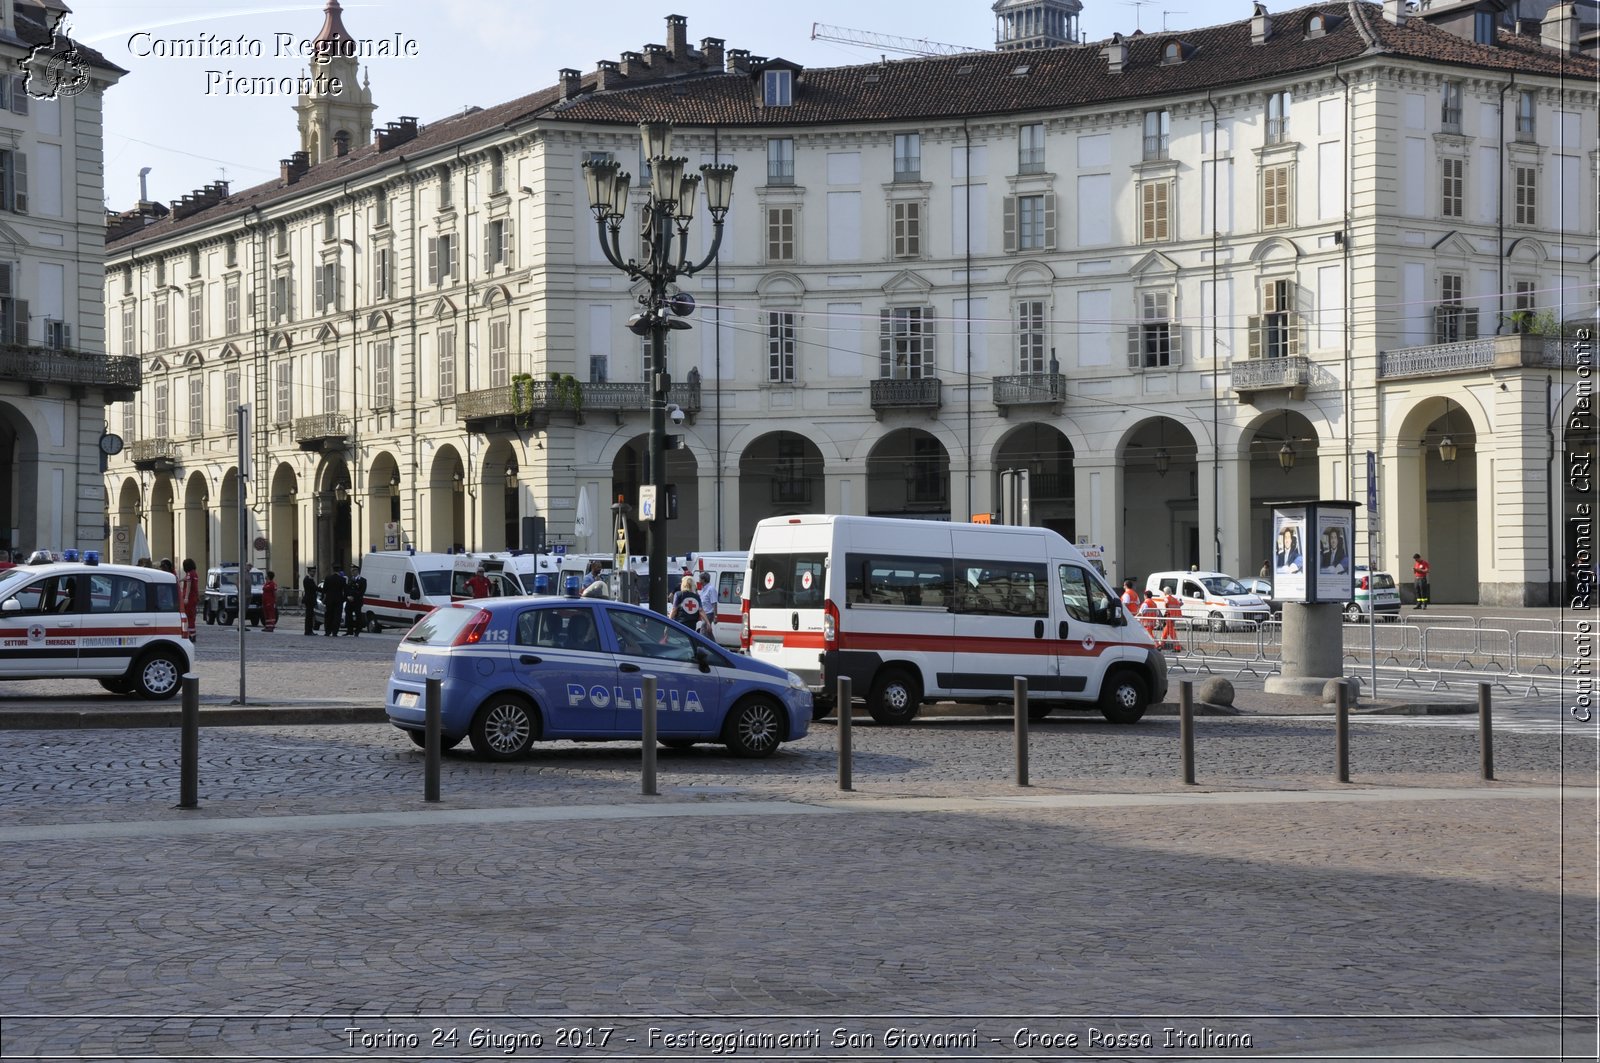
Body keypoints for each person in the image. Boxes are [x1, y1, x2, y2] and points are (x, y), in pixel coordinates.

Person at [178, 559, 200, 642]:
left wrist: (186, 597)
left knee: (188, 616)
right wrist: (180, 580)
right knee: (192, 616)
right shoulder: (194, 573)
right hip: (194, 598)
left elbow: (188, 586)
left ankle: (191, 635)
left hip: (189, 599)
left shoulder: (189, 574)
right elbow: (188, 580)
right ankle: (193, 634)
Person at [321, 566, 346, 636]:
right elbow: (345, 590)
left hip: (329, 600)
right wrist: (343, 599)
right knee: (337, 616)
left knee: (328, 616)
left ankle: (327, 631)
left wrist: (323, 598)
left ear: (333, 570)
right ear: (339, 571)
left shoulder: (328, 578)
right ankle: (335, 632)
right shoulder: (342, 579)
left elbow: (324, 590)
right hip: (338, 600)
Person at [1160, 586, 1184, 652]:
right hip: (1173, 616)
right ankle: (1161, 644)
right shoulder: (1174, 599)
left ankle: (1177, 647)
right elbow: (1180, 604)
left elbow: (1166, 602)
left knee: (1171, 632)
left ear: (1165, 592)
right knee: (1166, 630)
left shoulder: (1166, 598)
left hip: (1169, 616)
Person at [345, 565, 366, 636]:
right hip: (349, 600)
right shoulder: (350, 580)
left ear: (357, 571)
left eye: (353, 570)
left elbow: (361, 592)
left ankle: (357, 631)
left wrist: (354, 597)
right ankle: (349, 630)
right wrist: (348, 596)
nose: (352, 572)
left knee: (358, 616)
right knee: (348, 615)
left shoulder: (362, 580)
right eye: (351, 570)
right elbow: (347, 589)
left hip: (357, 601)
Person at [696, 570, 717, 636]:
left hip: (709, 614)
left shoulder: (711, 589)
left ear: (703, 579)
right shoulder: (703, 589)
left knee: (703, 631)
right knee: (708, 633)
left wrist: (715, 616)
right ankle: (714, 645)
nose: (699, 580)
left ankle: (701, 646)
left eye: (700, 579)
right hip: (704, 613)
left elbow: (714, 603)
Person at [302, 566, 318, 636]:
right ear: (309, 572)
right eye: (312, 571)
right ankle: (308, 631)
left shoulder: (310, 579)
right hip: (309, 600)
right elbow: (314, 588)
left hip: (310, 600)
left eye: (314, 572)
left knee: (310, 616)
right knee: (309, 616)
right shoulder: (308, 579)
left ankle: (309, 630)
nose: (314, 573)